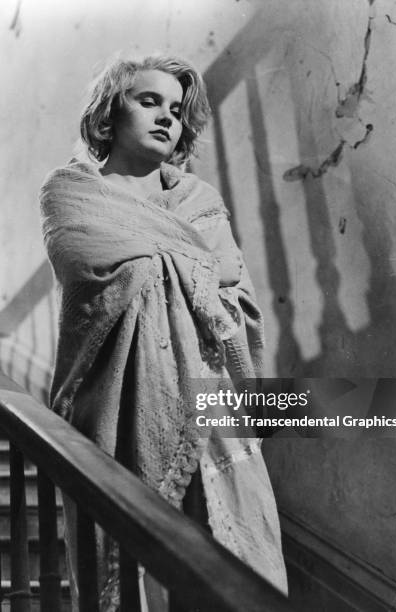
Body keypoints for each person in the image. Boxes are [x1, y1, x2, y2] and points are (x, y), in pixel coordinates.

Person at [40, 54, 287, 611]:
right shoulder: (72, 193)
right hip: (121, 402)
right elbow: (91, 268)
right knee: (136, 561)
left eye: (175, 109)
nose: (165, 118)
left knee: (231, 547)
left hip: (211, 403)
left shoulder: (198, 201)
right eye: (147, 101)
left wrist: (170, 260)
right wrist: (197, 265)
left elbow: (236, 289)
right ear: (109, 112)